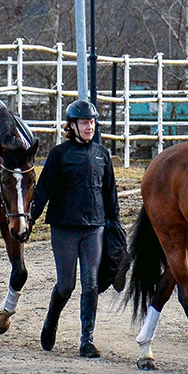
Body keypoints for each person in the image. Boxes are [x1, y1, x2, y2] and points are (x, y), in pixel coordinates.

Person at [30, 99, 119, 358]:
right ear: (72, 126)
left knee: (90, 284)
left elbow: (110, 194)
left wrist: (116, 227)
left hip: (94, 227)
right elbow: (44, 190)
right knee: (66, 285)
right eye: (83, 122)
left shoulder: (102, 155)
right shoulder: (59, 154)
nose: (89, 126)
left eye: (91, 122)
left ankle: (86, 340)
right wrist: (30, 220)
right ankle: (51, 321)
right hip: (64, 227)